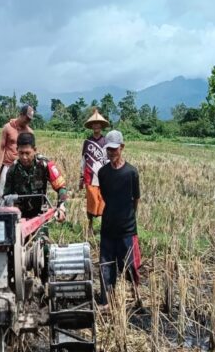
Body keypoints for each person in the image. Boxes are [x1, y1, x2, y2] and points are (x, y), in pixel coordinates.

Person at [97, 130, 141, 310]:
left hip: (127, 229)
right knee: (106, 265)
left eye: (114, 150)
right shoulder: (103, 173)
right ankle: (106, 301)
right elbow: (106, 196)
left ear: (122, 148)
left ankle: (137, 298)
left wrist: (129, 217)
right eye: (108, 150)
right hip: (108, 226)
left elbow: (135, 199)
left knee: (132, 266)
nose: (111, 153)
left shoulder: (131, 173)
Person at [3, 133, 67, 220]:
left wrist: (61, 207)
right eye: (21, 153)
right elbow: (6, 197)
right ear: (17, 150)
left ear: (35, 150)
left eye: (27, 153)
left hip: (41, 215)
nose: (24, 157)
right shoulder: (12, 170)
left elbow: (61, 187)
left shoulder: (45, 165)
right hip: (19, 217)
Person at [79, 109, 110, 237]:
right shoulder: (87, 142)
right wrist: (81, 177)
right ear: (91, 126)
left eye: (99, 123)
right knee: (91, 201)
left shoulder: (106, 142)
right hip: (90, 176)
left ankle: (104, 226)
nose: (96, 126)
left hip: (103, 177)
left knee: (103, 201)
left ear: (101, 126)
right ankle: (90, 225)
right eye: (94, 123)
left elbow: (108, 159)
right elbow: (83, 160)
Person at [0, 104, 34, 200]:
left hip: (22, 168)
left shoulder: (30, 132)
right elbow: (1, 147)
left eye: (30, 120)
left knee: (20, 194)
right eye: (27, 118)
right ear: (21, 114)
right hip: (7, 166)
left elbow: (31, 152)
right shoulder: (8, 128)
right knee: (1, 193)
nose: (28, 121)